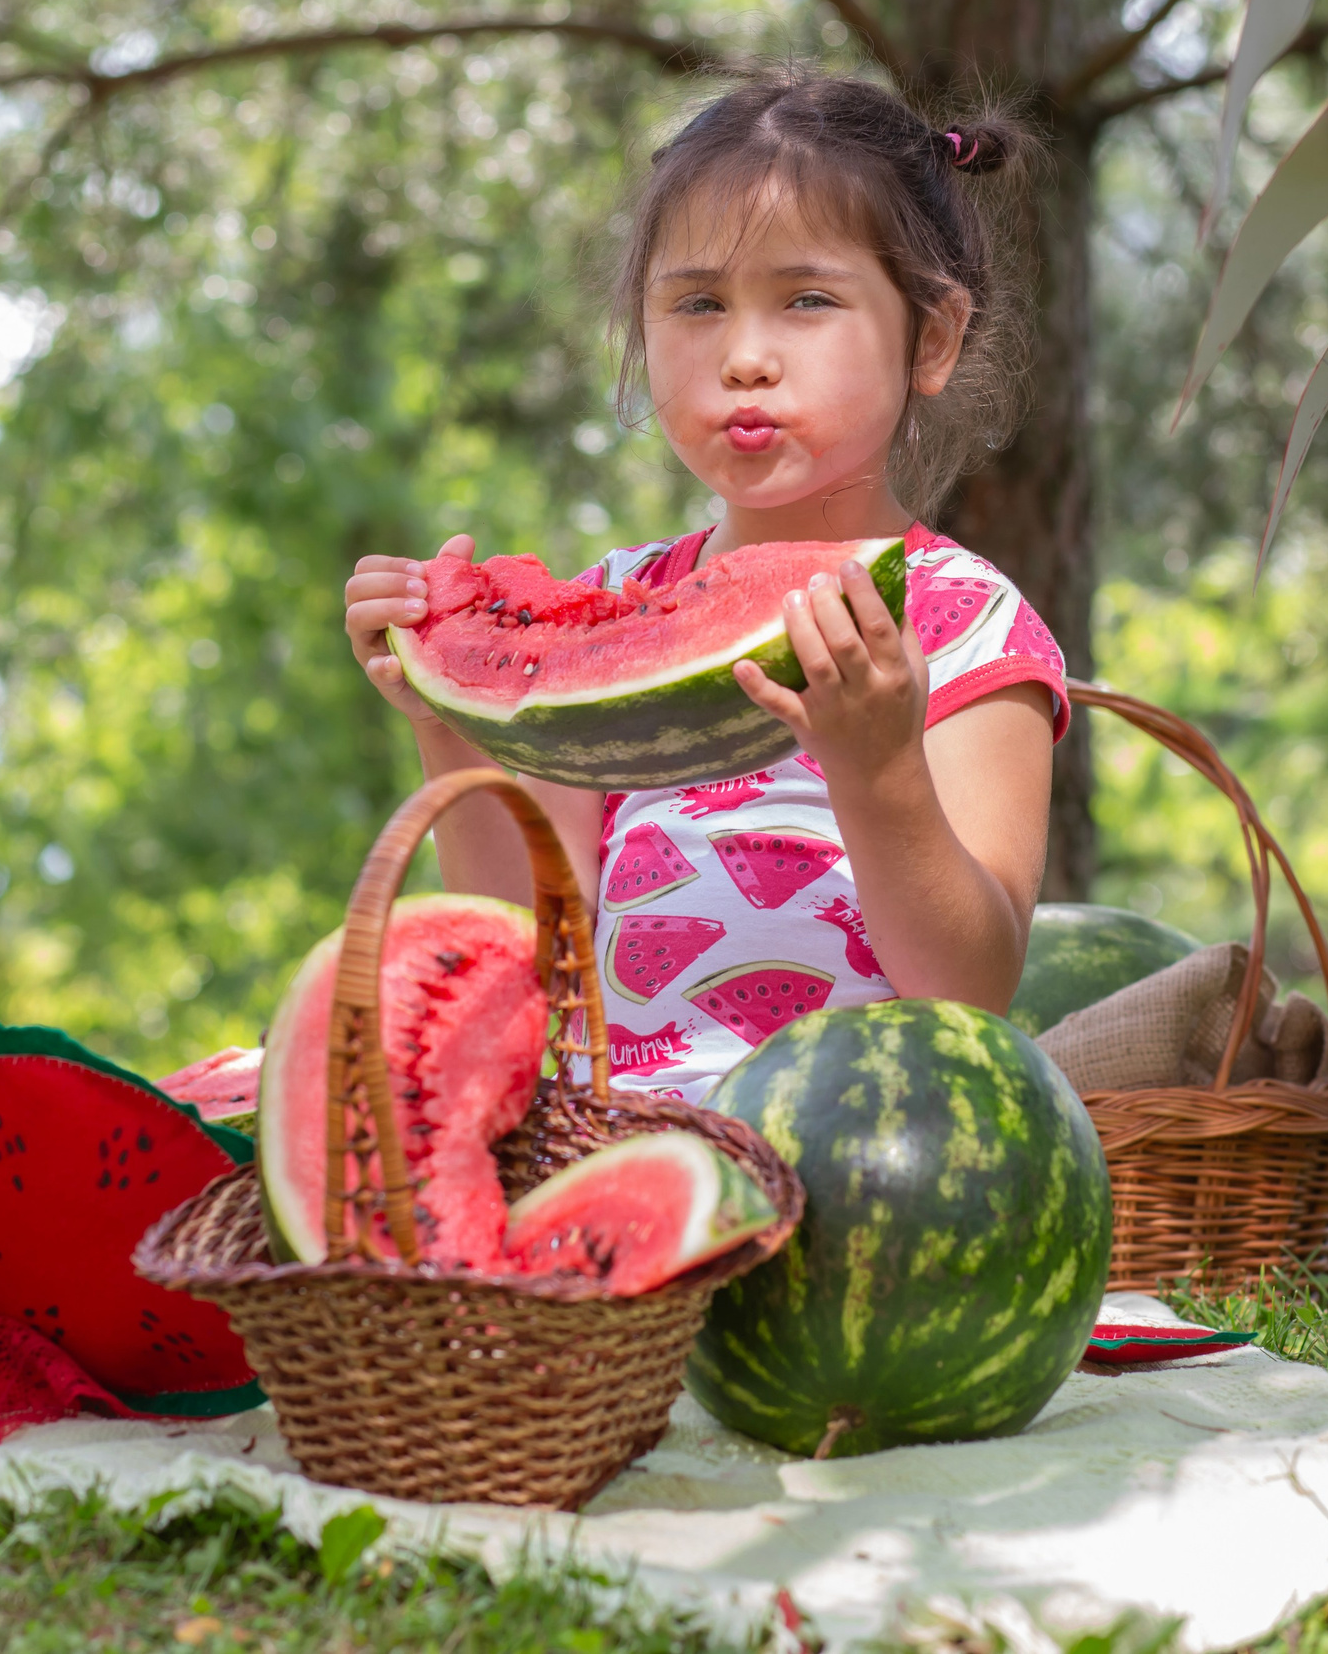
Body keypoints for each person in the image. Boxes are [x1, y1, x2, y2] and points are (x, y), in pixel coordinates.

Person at [343, 70, 1067, 1102]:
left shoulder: (965, 618)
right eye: (696, 304)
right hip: (621, 1141)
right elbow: (535, 948)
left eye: (806, 299)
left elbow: (972, 987)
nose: (744, 357)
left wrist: (876, 769)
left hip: (866, 1138)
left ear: (934, 337)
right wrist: (453, 719)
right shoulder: (618, 598)